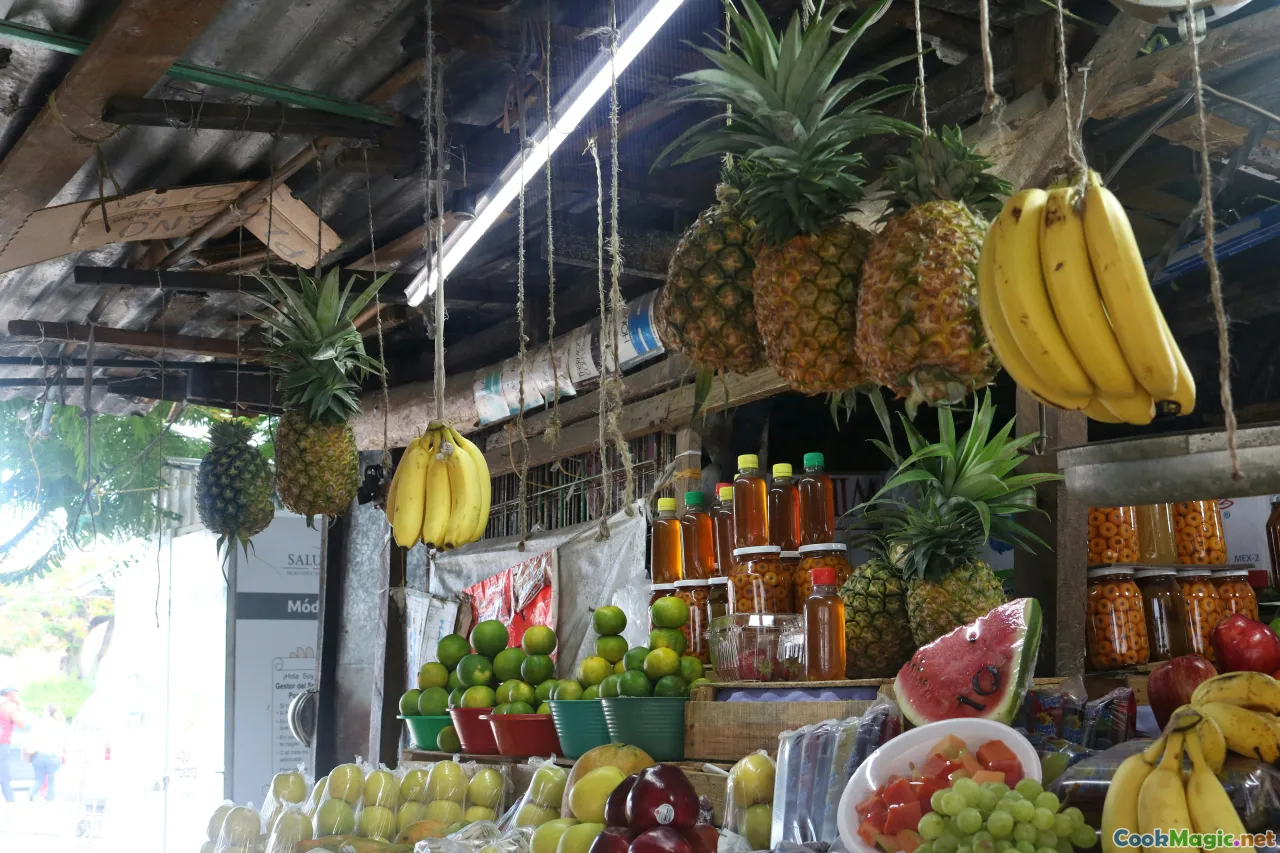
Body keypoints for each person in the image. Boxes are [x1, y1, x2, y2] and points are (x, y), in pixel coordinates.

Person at [26, 705, 68, 802]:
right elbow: (66, 743)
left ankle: (30, 794)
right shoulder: (61, 726)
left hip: (39, 755)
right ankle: (50, 801)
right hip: (54, 756)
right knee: (52, 781)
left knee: (38, 780)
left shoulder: (39, 724)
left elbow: (30, 738)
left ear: (48, 713)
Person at [0, 687, 30, 802]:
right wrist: (21, 707)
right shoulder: (9, 706)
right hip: (2, 744)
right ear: (10, 694)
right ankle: (10, 802)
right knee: (4, 775)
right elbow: (23, 723)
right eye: (16, 694)